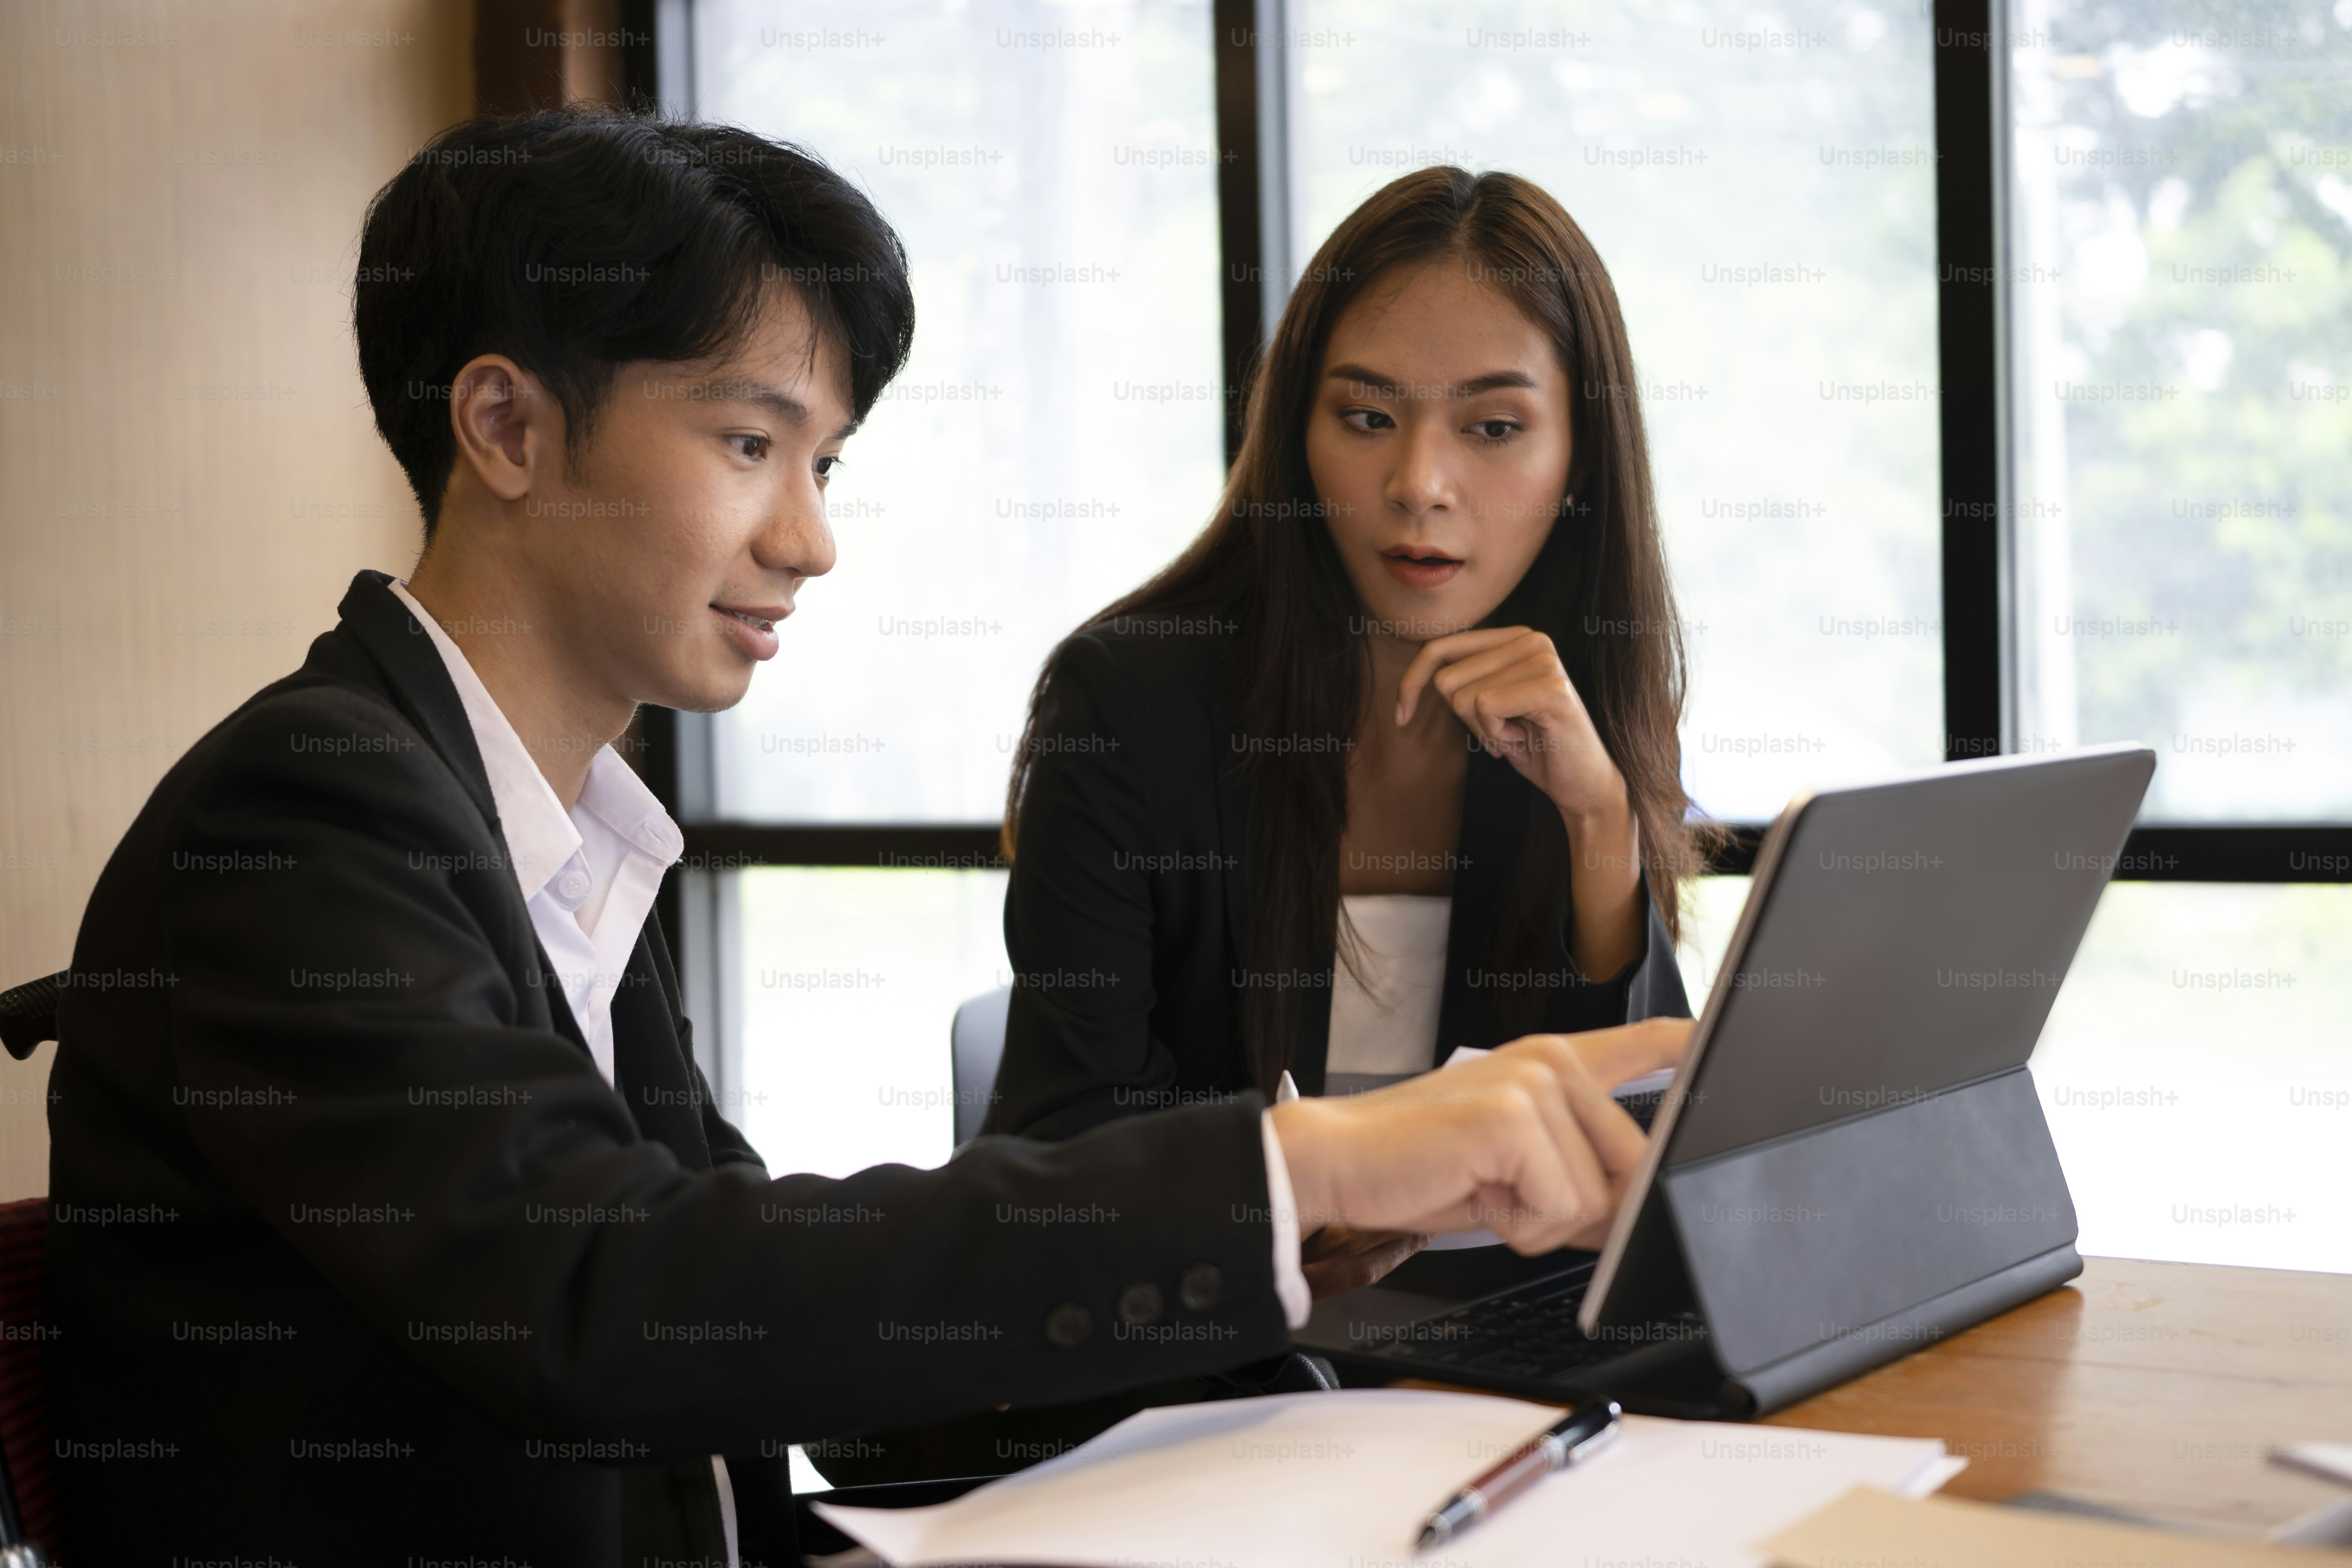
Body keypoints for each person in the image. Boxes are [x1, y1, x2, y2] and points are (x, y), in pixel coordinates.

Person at [39, 111, 1687, 1566]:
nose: (813, 539)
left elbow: (757, 1317)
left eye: (822, 463)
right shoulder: (306, 821)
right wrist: (1298, 1162)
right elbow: (614, 1298)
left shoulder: (556, 835)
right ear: (509, 430)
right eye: (752, 445)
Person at [990, 168, 1708, 1292]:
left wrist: (1600, 816)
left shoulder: (1590, 703)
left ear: (1581, 460)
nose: (1419, 484)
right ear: (1296, 433)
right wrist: (1282, 1226)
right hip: (1216, 1369)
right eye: (1367, 418)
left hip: (1496, 1367)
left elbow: (1646, 1162)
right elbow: (1060, 1160)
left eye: (1494, 427)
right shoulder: (1128, 705)